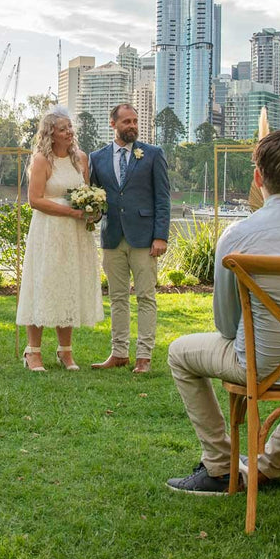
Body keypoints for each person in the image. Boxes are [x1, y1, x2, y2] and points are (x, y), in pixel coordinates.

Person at [165, 130, 280, 494]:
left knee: (179, 354)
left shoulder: (238, 236)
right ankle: (269, 464)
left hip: (263, 362)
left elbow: (224, 323)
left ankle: (221, 466)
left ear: (258, 178)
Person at [15, 108, 104, 371]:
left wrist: (91, 210)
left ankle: (65, 351)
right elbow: (35, 200)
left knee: (68, 284)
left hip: (75, 233)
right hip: (49, 231)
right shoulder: (42, 160)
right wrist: (71, 212)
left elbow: (88, 192)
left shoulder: (81, 159)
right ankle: (33, 351)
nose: (69, 132)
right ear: (51, 133)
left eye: (70, 127)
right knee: (43, 283)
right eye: (63, 128)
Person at [89, 103, 170, 374]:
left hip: (145, 238)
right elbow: (94, 196)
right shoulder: (97, 158)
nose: (132, 126)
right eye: (126, 122)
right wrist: (92, 214)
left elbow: (163, 198)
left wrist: (161, 236)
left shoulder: (153, 154)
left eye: (135, 121)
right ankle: (119, 352)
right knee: (118, 297)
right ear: (113, 124)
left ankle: (144, 356)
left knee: (146, 297)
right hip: (112, 237)